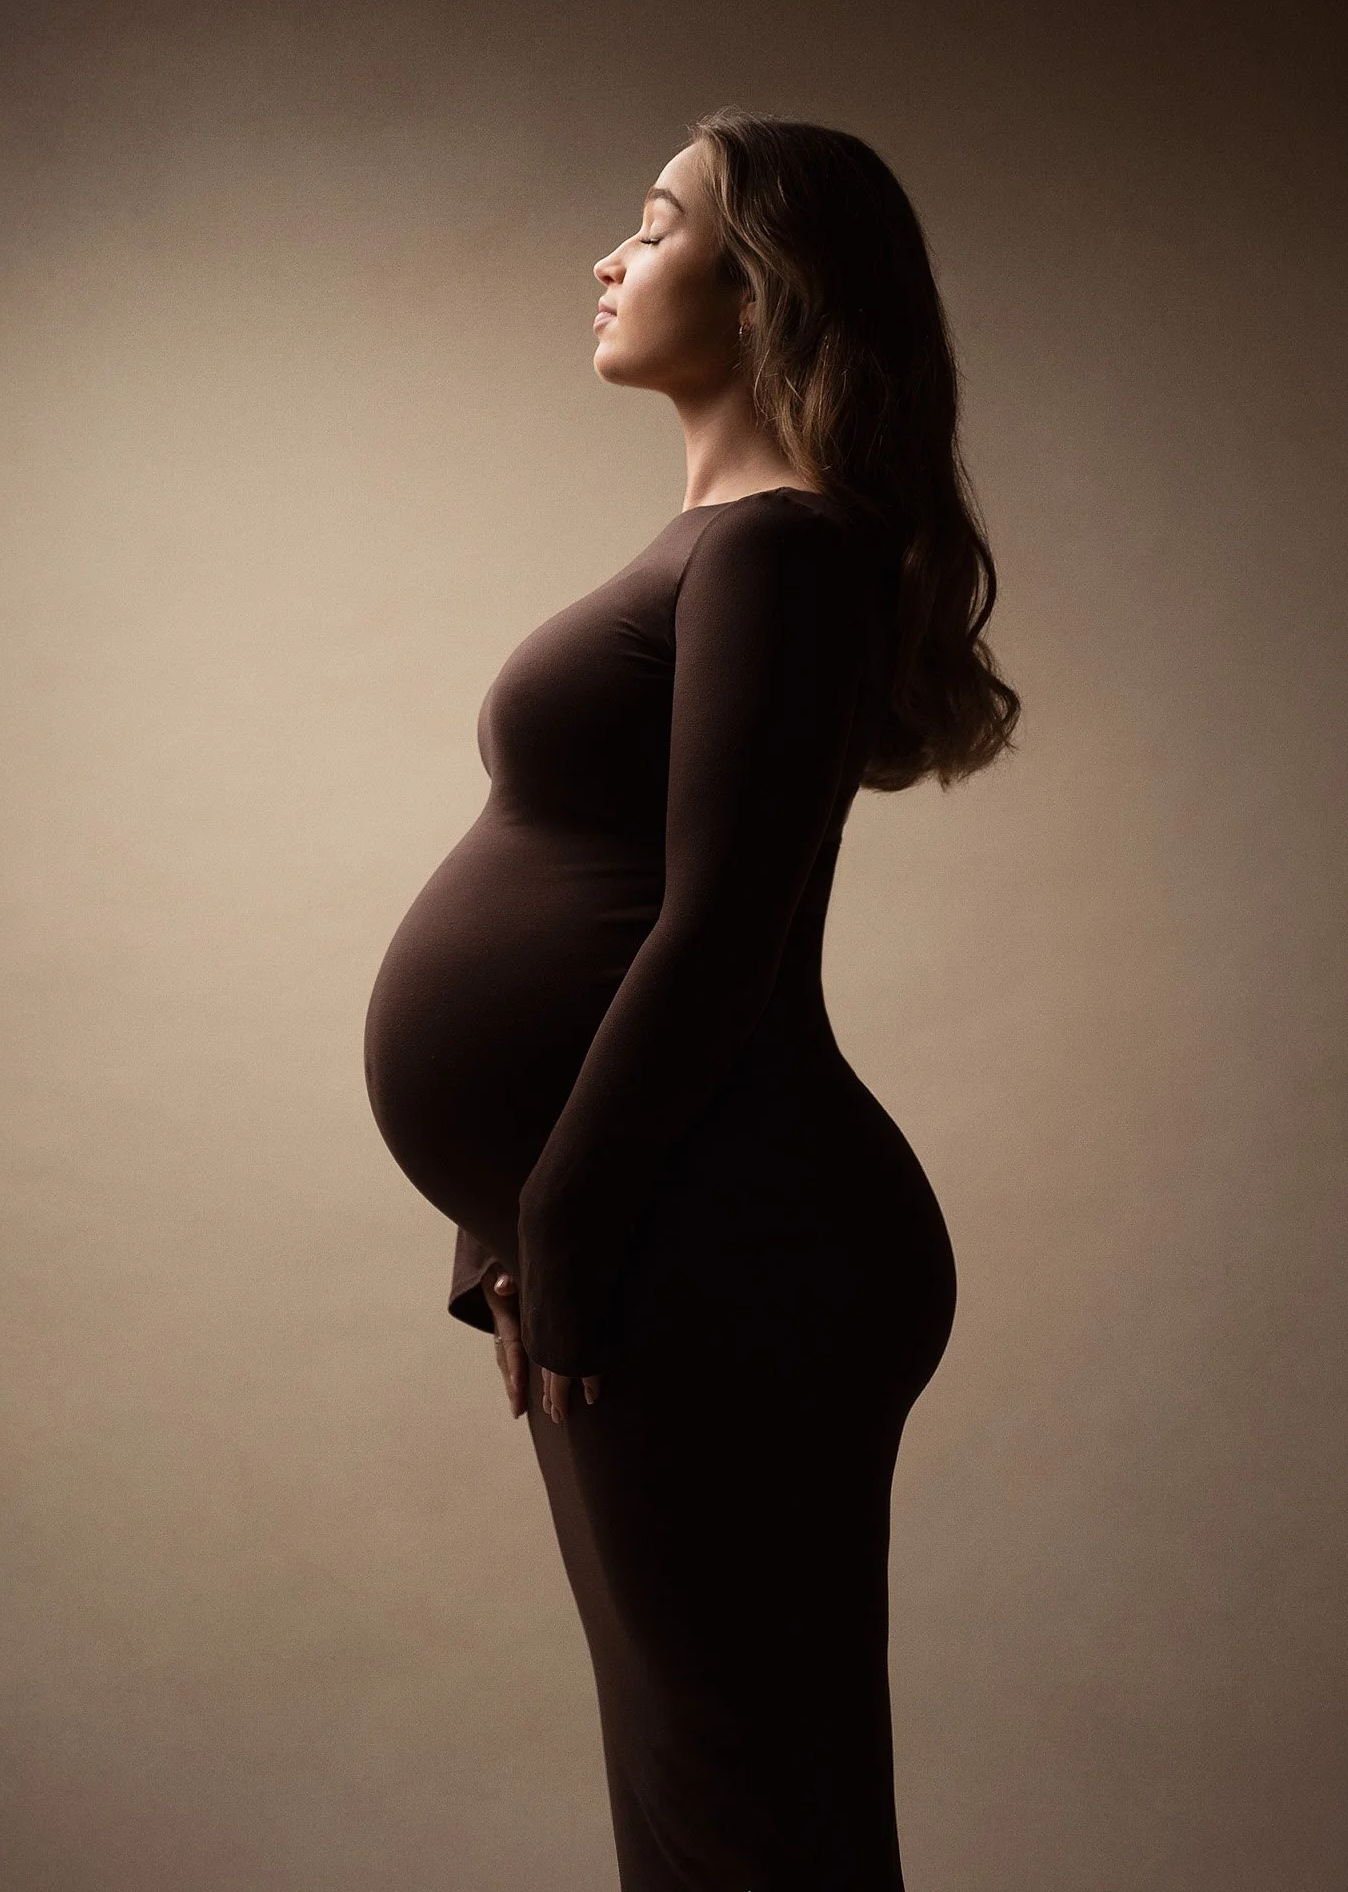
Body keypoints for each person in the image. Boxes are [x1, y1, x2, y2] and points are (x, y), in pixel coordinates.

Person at [363, 105, 1020, 1891]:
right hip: (656, 1235)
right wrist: (504, 1218)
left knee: (750, 1800)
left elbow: (732, 931)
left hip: (734, 1250)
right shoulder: (726, 548)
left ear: (769, 285)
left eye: (655, 227)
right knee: (687, 1788)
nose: (609, 256)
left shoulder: (780, 554)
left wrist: (562, 1215)